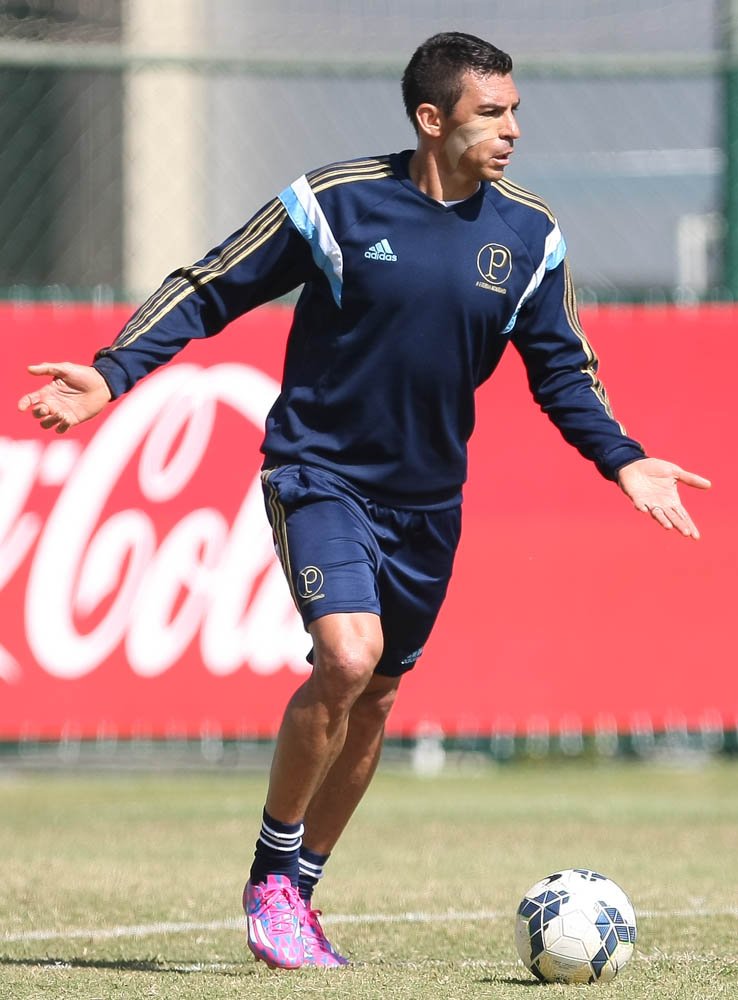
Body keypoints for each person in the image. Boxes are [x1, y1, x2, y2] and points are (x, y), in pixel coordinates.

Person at [17, 31, 710, 970]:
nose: (512, 130)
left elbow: (562, 371)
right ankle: (270, 875)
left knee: (377, 698)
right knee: (347, 657)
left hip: (429, 505)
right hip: (318, 474)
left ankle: (298, 896)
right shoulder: (333, 202)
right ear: (433, 119)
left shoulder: (530, 235)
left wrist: (622, 459)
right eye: (491, 113)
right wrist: (111, 373)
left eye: (516, 111)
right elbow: (211, 285)